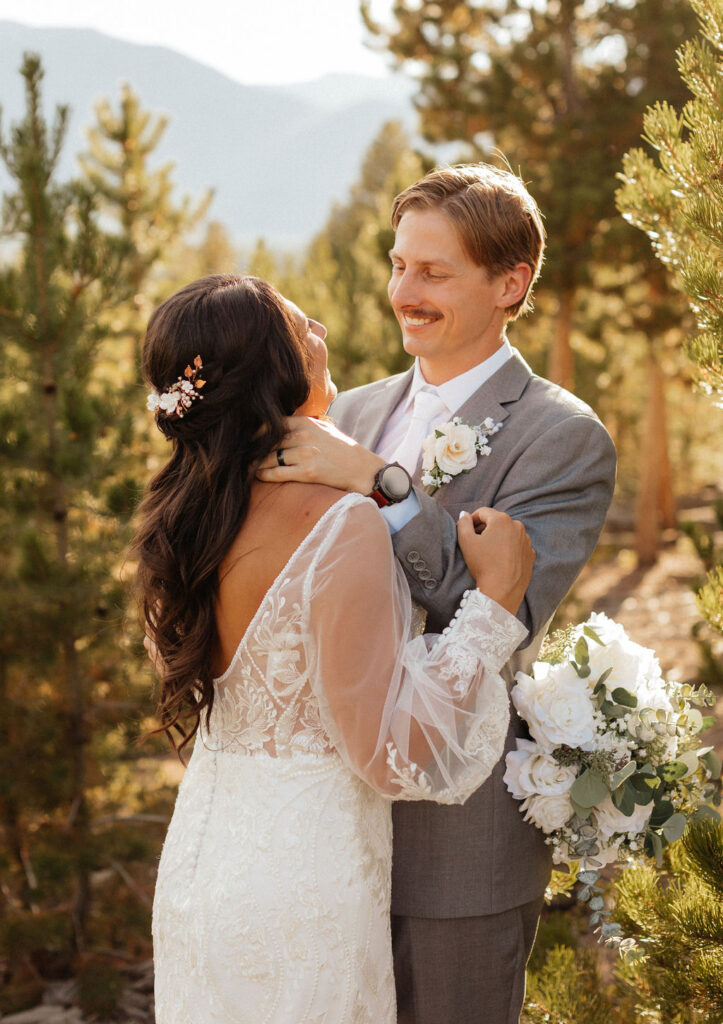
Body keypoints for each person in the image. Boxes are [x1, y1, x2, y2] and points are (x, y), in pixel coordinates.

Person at [256, 164, 618, 1023]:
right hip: (327, 826)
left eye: (433, 272)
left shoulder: (562, 437)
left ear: (509, 283)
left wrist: (382, 485)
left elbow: (495, 611)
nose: (402, 293)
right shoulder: (352, 410)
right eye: (397, 265)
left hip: (455, 846)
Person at [134, 273, 536, 1024]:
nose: (320, 327)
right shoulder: (337, 524)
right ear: (273, 369)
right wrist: (493, 604)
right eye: (298, 324)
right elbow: (386, 752)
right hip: (302, 881)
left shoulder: (185, 512)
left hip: (202, 863)